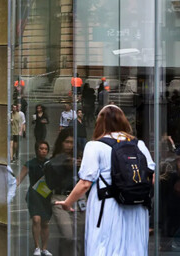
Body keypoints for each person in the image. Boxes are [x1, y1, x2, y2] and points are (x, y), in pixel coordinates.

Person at [54, 105, 155, 255]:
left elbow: (85, 183)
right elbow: (150, 177)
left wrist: (67, 203)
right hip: (136, 208)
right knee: (133, 248)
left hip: (107, 207)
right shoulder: (139, 144)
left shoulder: (95, 146)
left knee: (104, 247)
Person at [45, 127, 84, 255]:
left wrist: (80, 165)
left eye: (72, 142)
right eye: (66, 142)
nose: (69, 145)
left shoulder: (79, 157)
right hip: (60, 198)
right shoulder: (55, 160)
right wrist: (64, 165)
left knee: (78, 237)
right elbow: (49, 182)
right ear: (61, 142)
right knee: (67, 235)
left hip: (79, 198)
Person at [16, 141, 53, 256]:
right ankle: (37, 247)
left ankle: (44, 248)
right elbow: (19, 178)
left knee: (45, 223)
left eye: (46, 149)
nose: (43, 151)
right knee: (36, 220)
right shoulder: (30, 164)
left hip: (46, 195)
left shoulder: (50, 163)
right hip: (34, 195)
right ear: (36, 150)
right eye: (41, 148)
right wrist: (11, 189)